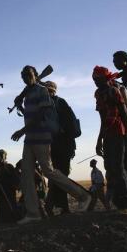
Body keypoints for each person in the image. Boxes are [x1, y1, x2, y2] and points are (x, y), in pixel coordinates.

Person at [11, 66, 91, 225]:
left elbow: (42, 114)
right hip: (30, 138)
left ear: (34, 75)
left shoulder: (42, 91)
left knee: (48, 171)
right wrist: (19, 104)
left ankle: (83, 196)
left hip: (41, 137)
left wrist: (22, 130)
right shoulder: (27, 94)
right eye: (24, 75)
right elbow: (29, 113)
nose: (26, 77)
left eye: (29, 74)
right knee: (26, 174)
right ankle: (33, 213)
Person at [92, 66, 127, 214]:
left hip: (119, 132)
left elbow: (124, 114)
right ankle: (120, 204)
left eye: (97, 79)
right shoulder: (99, 94)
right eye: (94, 79)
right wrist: (99, 140)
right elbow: (102, 119)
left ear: (105, 79)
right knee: (111, 169)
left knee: (118, 168)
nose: (95, 82)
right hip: (108, 134)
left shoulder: (114, 91)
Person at [43, 81, 78, 215]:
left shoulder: (59, 103)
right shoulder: (48, 105)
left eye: (49, 91)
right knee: (58, 176)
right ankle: (55, 207)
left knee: (60, 176)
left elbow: (70, 126)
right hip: (55, 146)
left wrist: (71, 146)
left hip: (63, 146)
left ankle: (56, 207)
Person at [0, 149, 20, 224]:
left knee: (11, 208)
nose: (0, 157)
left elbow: (15, 178)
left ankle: (14, 220)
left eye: (1, 155)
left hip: (9, 192)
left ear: (5, 157)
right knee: (0, 210)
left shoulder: (9, 167)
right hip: (0, 194)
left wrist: (15, 186)